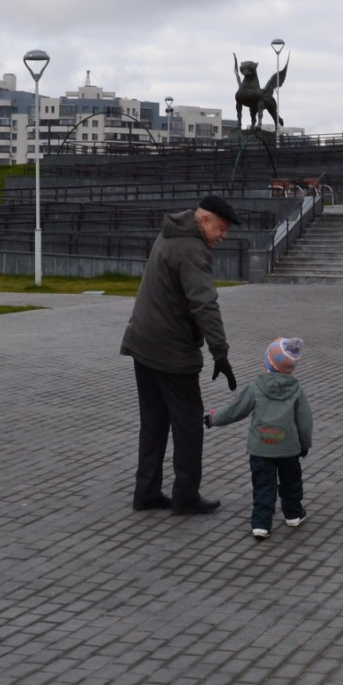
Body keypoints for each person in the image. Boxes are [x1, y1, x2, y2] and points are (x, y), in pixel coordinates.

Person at [121, 194, 242, 514]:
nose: (224, 235)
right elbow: (204, 303)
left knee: (154, 421)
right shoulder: (191, 248)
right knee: (188, 422)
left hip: (143, 341)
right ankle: (186, 496)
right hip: (170, 349)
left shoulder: (170, 234)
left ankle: (146, 491)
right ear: (204, 219)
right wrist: (220, 352)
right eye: (222, 228)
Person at [207, 337, 314, 539]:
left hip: (260, 448)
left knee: (263, 485)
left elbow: (235, 410)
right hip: (288, 448)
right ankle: (293, 514)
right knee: (291, 482)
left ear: (268, 363)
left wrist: (213, 419)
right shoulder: (297, 390)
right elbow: (305, 422)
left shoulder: (256, 387)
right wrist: (305, 444)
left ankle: (261, 524)